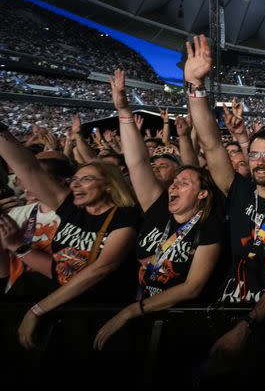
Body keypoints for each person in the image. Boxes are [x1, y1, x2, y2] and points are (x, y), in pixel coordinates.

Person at [184, 34, 265, 366]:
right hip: (224, 310)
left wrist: (248, 325)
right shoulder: (238, 191)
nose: (261, 161)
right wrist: (196, 86)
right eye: (255, 155)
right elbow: (210, 144)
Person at [92, 68, 224, 350]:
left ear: (202, 193)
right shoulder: (158, 209)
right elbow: (138, 163)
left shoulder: (208, 225)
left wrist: (133, 309)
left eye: (183, 183)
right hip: (138, 315)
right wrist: (124, 111)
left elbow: (192, 287)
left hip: (180, 325)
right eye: (174, 182)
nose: (173, 187)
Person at [0, 120, 140, 349]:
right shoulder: (72, 210)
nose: (75, 185)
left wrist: (37, 309)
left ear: (108, 185)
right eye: (74, 179)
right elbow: (28, 168)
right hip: (61, 305)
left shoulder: (125, 217)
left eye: (86, 179)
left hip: (96, 312)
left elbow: (100, 269)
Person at [0, 156, 73, 300]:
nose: (26, 184)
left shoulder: (75, 216)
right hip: (15, 295)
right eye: (23, 179)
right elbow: (3, 269)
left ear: (60, 181)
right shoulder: (16, 213)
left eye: (34, 179)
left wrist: (17, 245)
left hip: (55, 296)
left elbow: (68, 271)